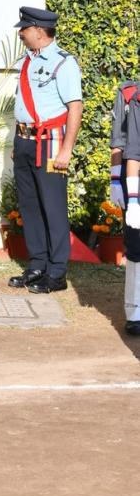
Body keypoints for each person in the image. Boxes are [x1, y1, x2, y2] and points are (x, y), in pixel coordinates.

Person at [8, 6, 82, 294]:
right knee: (29, 206)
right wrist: (18, 143)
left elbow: (75, 107)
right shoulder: (27, 61)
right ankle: (37, 265)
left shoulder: (64, 63)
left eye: (24, 29)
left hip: (51, 143)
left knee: (53, 207)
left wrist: (67, 149)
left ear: (39, 30)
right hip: (24, 140)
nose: (21, 34)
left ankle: (57, 272)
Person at [109, 80, 140, 336]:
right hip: (133, 178)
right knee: (136, 244)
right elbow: (121, 143)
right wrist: (114, 180)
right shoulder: (130, 94)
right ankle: (135, 310)